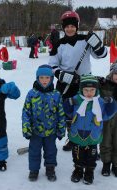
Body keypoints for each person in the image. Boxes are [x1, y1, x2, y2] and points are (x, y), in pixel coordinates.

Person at [48, 10, 107, 151]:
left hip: (86, 84)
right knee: (69, 112)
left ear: (77, 26)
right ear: (63, 27)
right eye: (67, 26)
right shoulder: (59, 44)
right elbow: (53, 66)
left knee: (88, 112)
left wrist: (97, 44)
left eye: (72, 26)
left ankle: (91, 141)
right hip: (66, 83)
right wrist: (65, 76)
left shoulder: (85, 41)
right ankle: (73, 138)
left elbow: (102, 55)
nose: (70, 29)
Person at [64, 74, 117, 184]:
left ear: (96, 90)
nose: (89, 93)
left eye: (92, 90)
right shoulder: (76, 100)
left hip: (93, 135)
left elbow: (108, 114)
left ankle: (89, 171)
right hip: (77, 135)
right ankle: (78, 170)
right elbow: (68, 113)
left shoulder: (100, 102)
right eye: (86, 90)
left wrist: (112, 103)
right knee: (77, 155)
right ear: (81, 89)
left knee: (91, 156)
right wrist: (68, 103)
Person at [22, 64, 66, 182]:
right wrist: (26, 129)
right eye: (41, 77)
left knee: (51, 151)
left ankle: (50, 168)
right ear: (37, 78)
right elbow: (26, 112)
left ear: (52, 78)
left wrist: (61, 129)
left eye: (47, 78)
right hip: (35, 131)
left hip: (51, 131)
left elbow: (61, 114)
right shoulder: (32, 94)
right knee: (34, 151)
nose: (44, 80)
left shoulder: (56, 95)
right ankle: (34, 170)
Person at [98, 63, 117, 177]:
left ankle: (115, 165)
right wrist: (98, 82)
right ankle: (106, 163)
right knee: (105, 141)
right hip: (107, 119)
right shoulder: (104, 85)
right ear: (112, 74)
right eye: (116, 74)